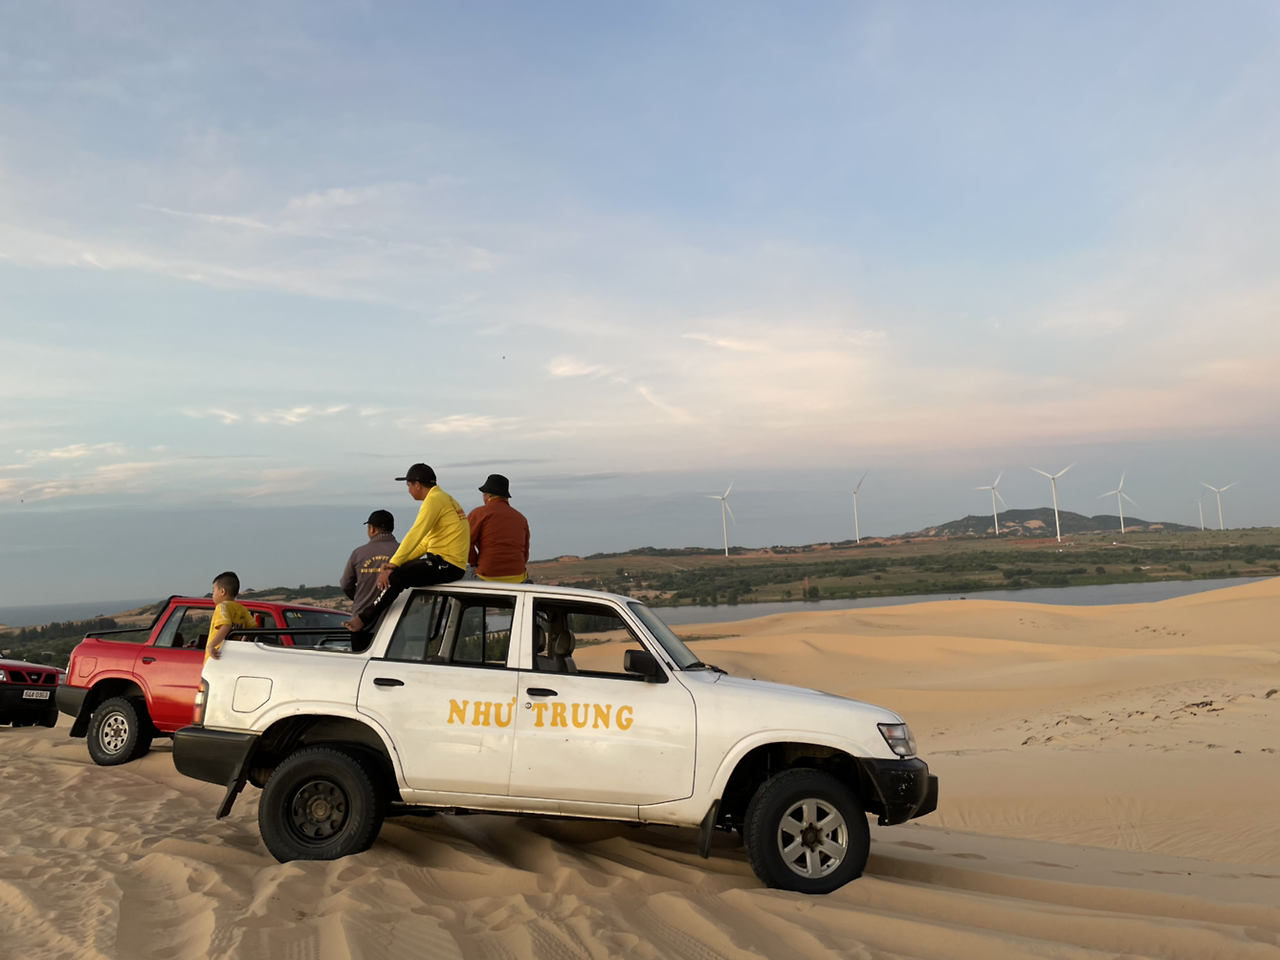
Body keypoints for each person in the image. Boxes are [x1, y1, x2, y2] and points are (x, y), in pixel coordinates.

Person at [344, 463, 468, 633]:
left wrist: (393, 564)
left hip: (447, 565)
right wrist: (394, 563)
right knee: (398, 571)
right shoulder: (443, 498)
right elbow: (424, 544)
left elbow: (415, 533)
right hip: (446, 563)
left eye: (409, 485)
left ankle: (363, 619)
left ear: (417, 485)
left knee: (397, 577)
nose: (408, 490)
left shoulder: (433, 501)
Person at [467, 474, 531, 582]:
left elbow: (465, 542)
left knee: (457, 575)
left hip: (487, 576)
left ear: (489, 496)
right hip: (518, 577)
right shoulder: (521, 518)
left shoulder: (479, 513)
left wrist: (475, 562)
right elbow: (525, 553)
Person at [340, 509, 399, 616]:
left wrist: (360, 600)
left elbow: (346, 584)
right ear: (392, 528)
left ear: (372, 529)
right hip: (396, 617)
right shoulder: (404, 552)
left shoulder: (358, 553)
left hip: (361, 618)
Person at [205, 571, 256, 662]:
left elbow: (226, 626)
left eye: (213, 591)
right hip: (233, 655)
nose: (213, 595)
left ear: (222, 591)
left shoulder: (222, 606)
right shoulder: (242, 609)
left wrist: (212, 646)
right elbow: (253, 627)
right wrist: (243, 641)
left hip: (217, 655)